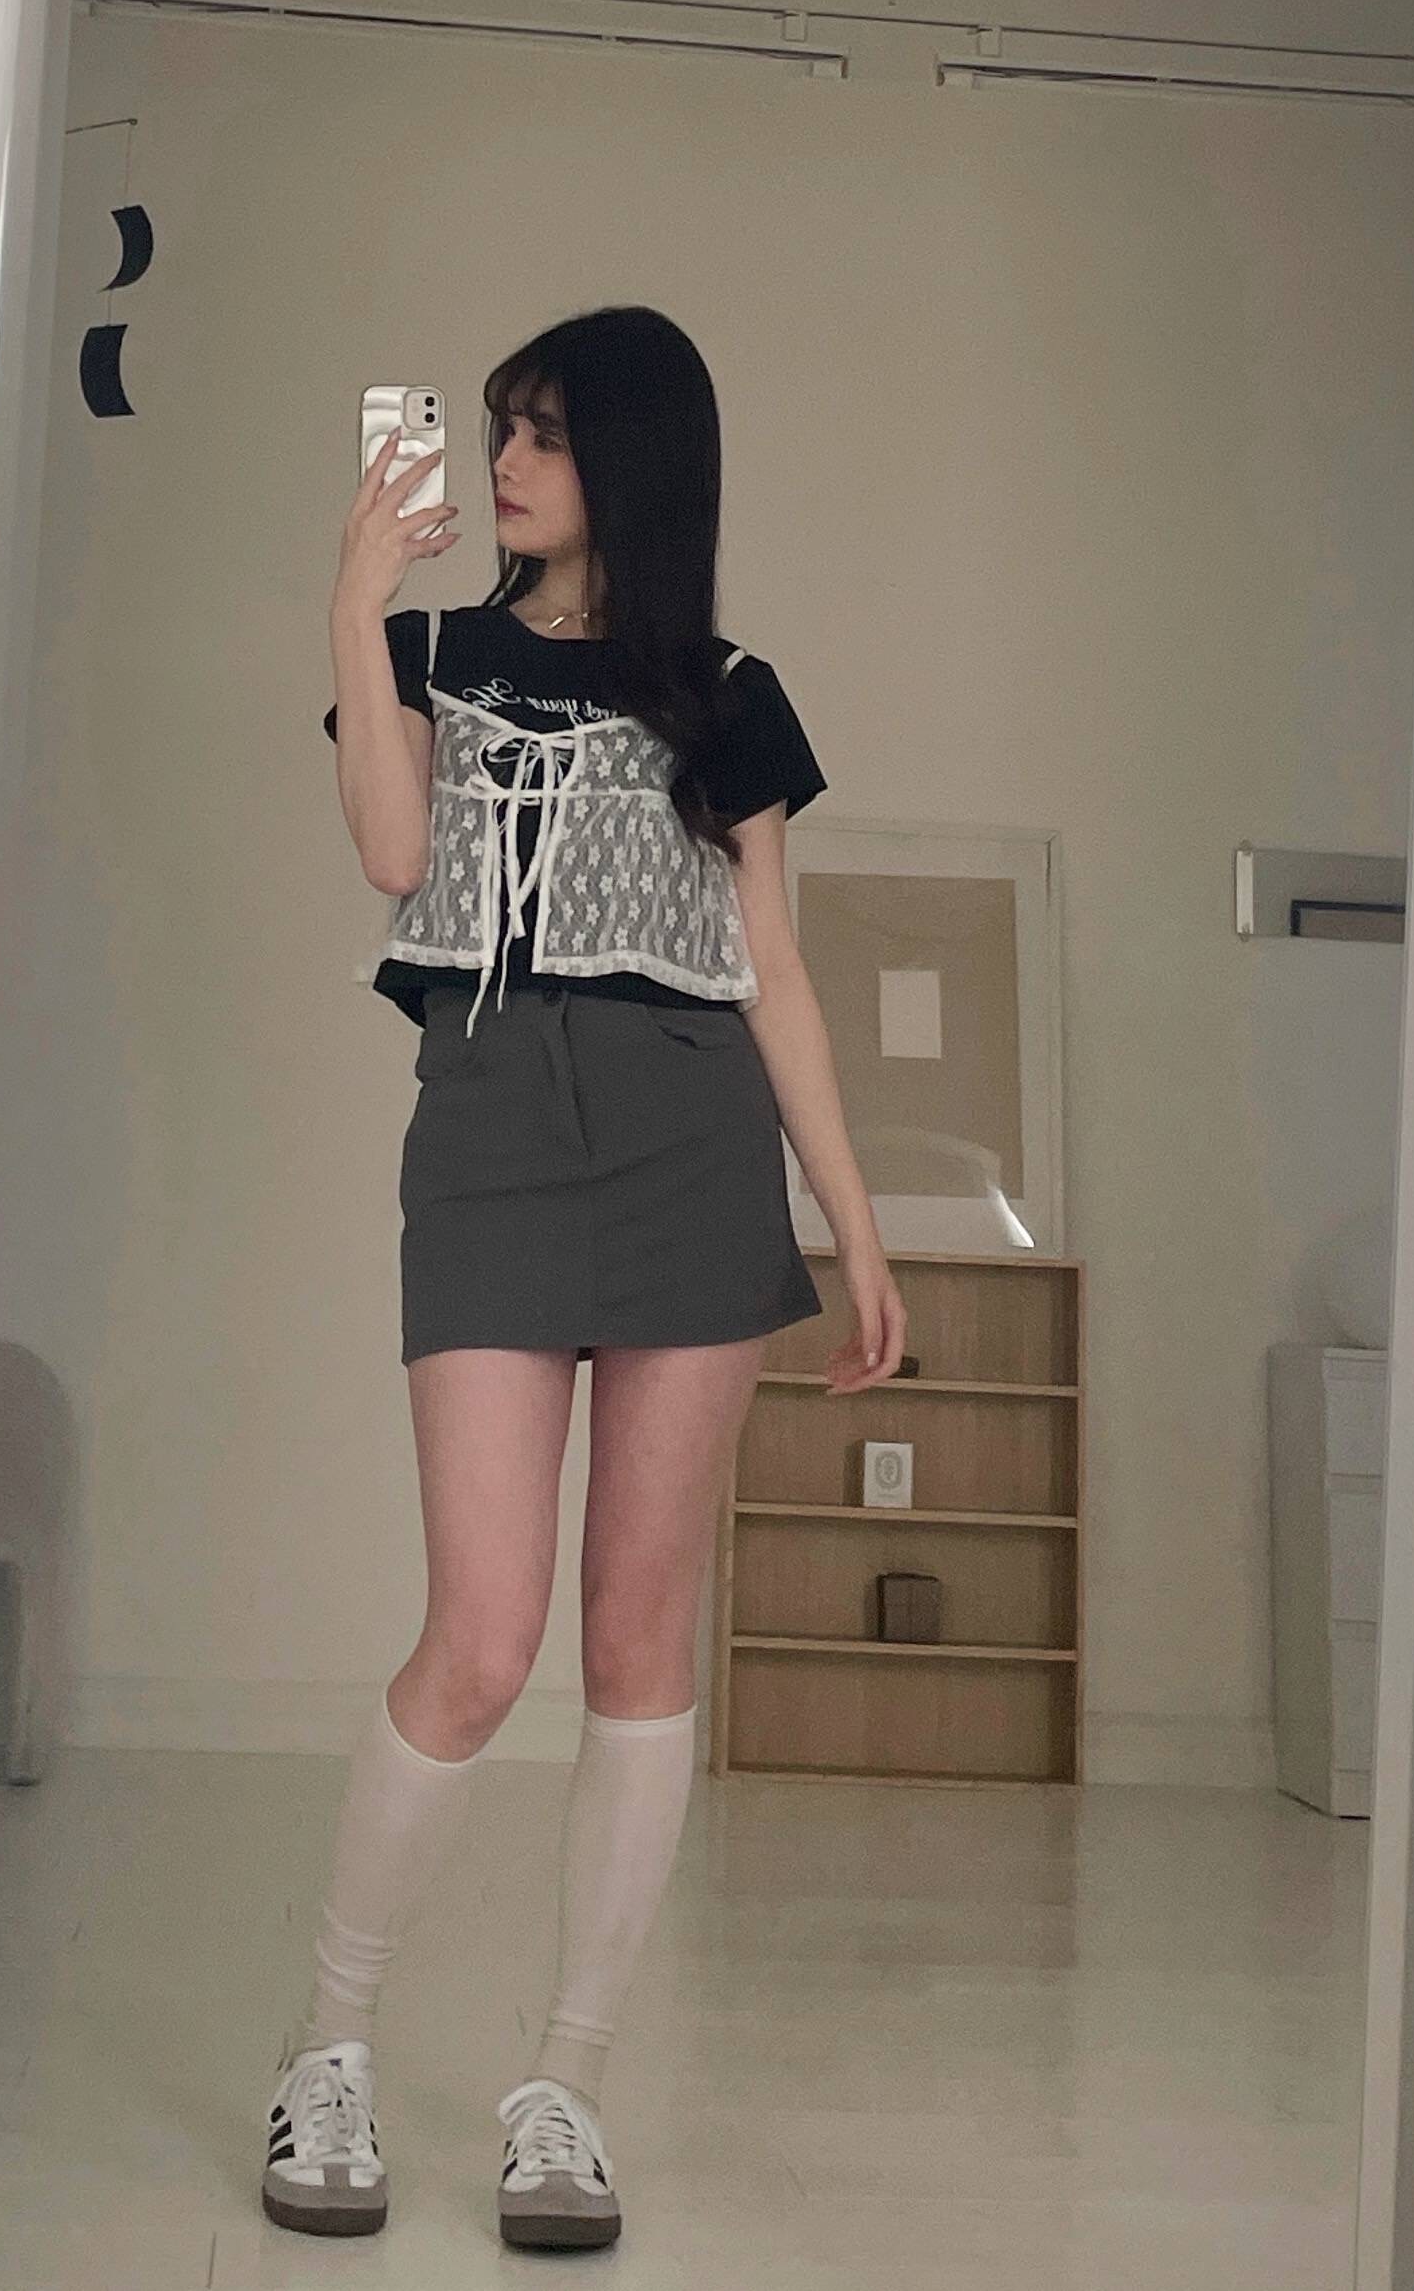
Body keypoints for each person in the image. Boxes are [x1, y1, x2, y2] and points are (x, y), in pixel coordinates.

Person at [270, 305, 907, 2250]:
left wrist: (853, 1219)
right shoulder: (430, 655)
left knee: (637, 1644)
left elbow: (772, 972)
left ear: (630, 457)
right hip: (489, 1149)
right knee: (482, 1640)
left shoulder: (730, 699)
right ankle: (330, 2046)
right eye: (499, 429)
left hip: (692, 1161)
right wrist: (353, 596)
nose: (505, 463)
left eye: (542, 433)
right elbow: (394, 855)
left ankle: (566, 2086)